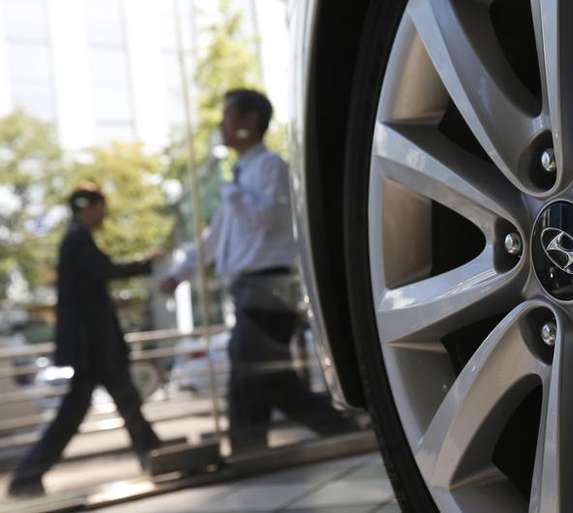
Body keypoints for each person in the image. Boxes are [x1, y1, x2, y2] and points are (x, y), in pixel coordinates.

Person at [161, 89, 354, 452]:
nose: (222, 125)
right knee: (253, 374)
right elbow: (214, 238)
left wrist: (234, 196)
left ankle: (334, 431)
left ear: (250, 121)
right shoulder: (238, 178)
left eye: (227, 116)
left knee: (259, 372)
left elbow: (268, 219)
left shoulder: (270, 168)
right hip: (250, 290)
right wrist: (179, 273)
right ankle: (252, 450)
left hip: (270, 287)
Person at [7, 184, 161, 497]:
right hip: (94, 347)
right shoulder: (77, 239)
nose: (104, 214)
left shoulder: (76, 238)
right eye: (100, 208)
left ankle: (155, 456)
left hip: (92, 347)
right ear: (88, 208)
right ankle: (28, 474)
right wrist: (146, 263)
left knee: (118, 402)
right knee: (108, 404)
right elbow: (105, 271)